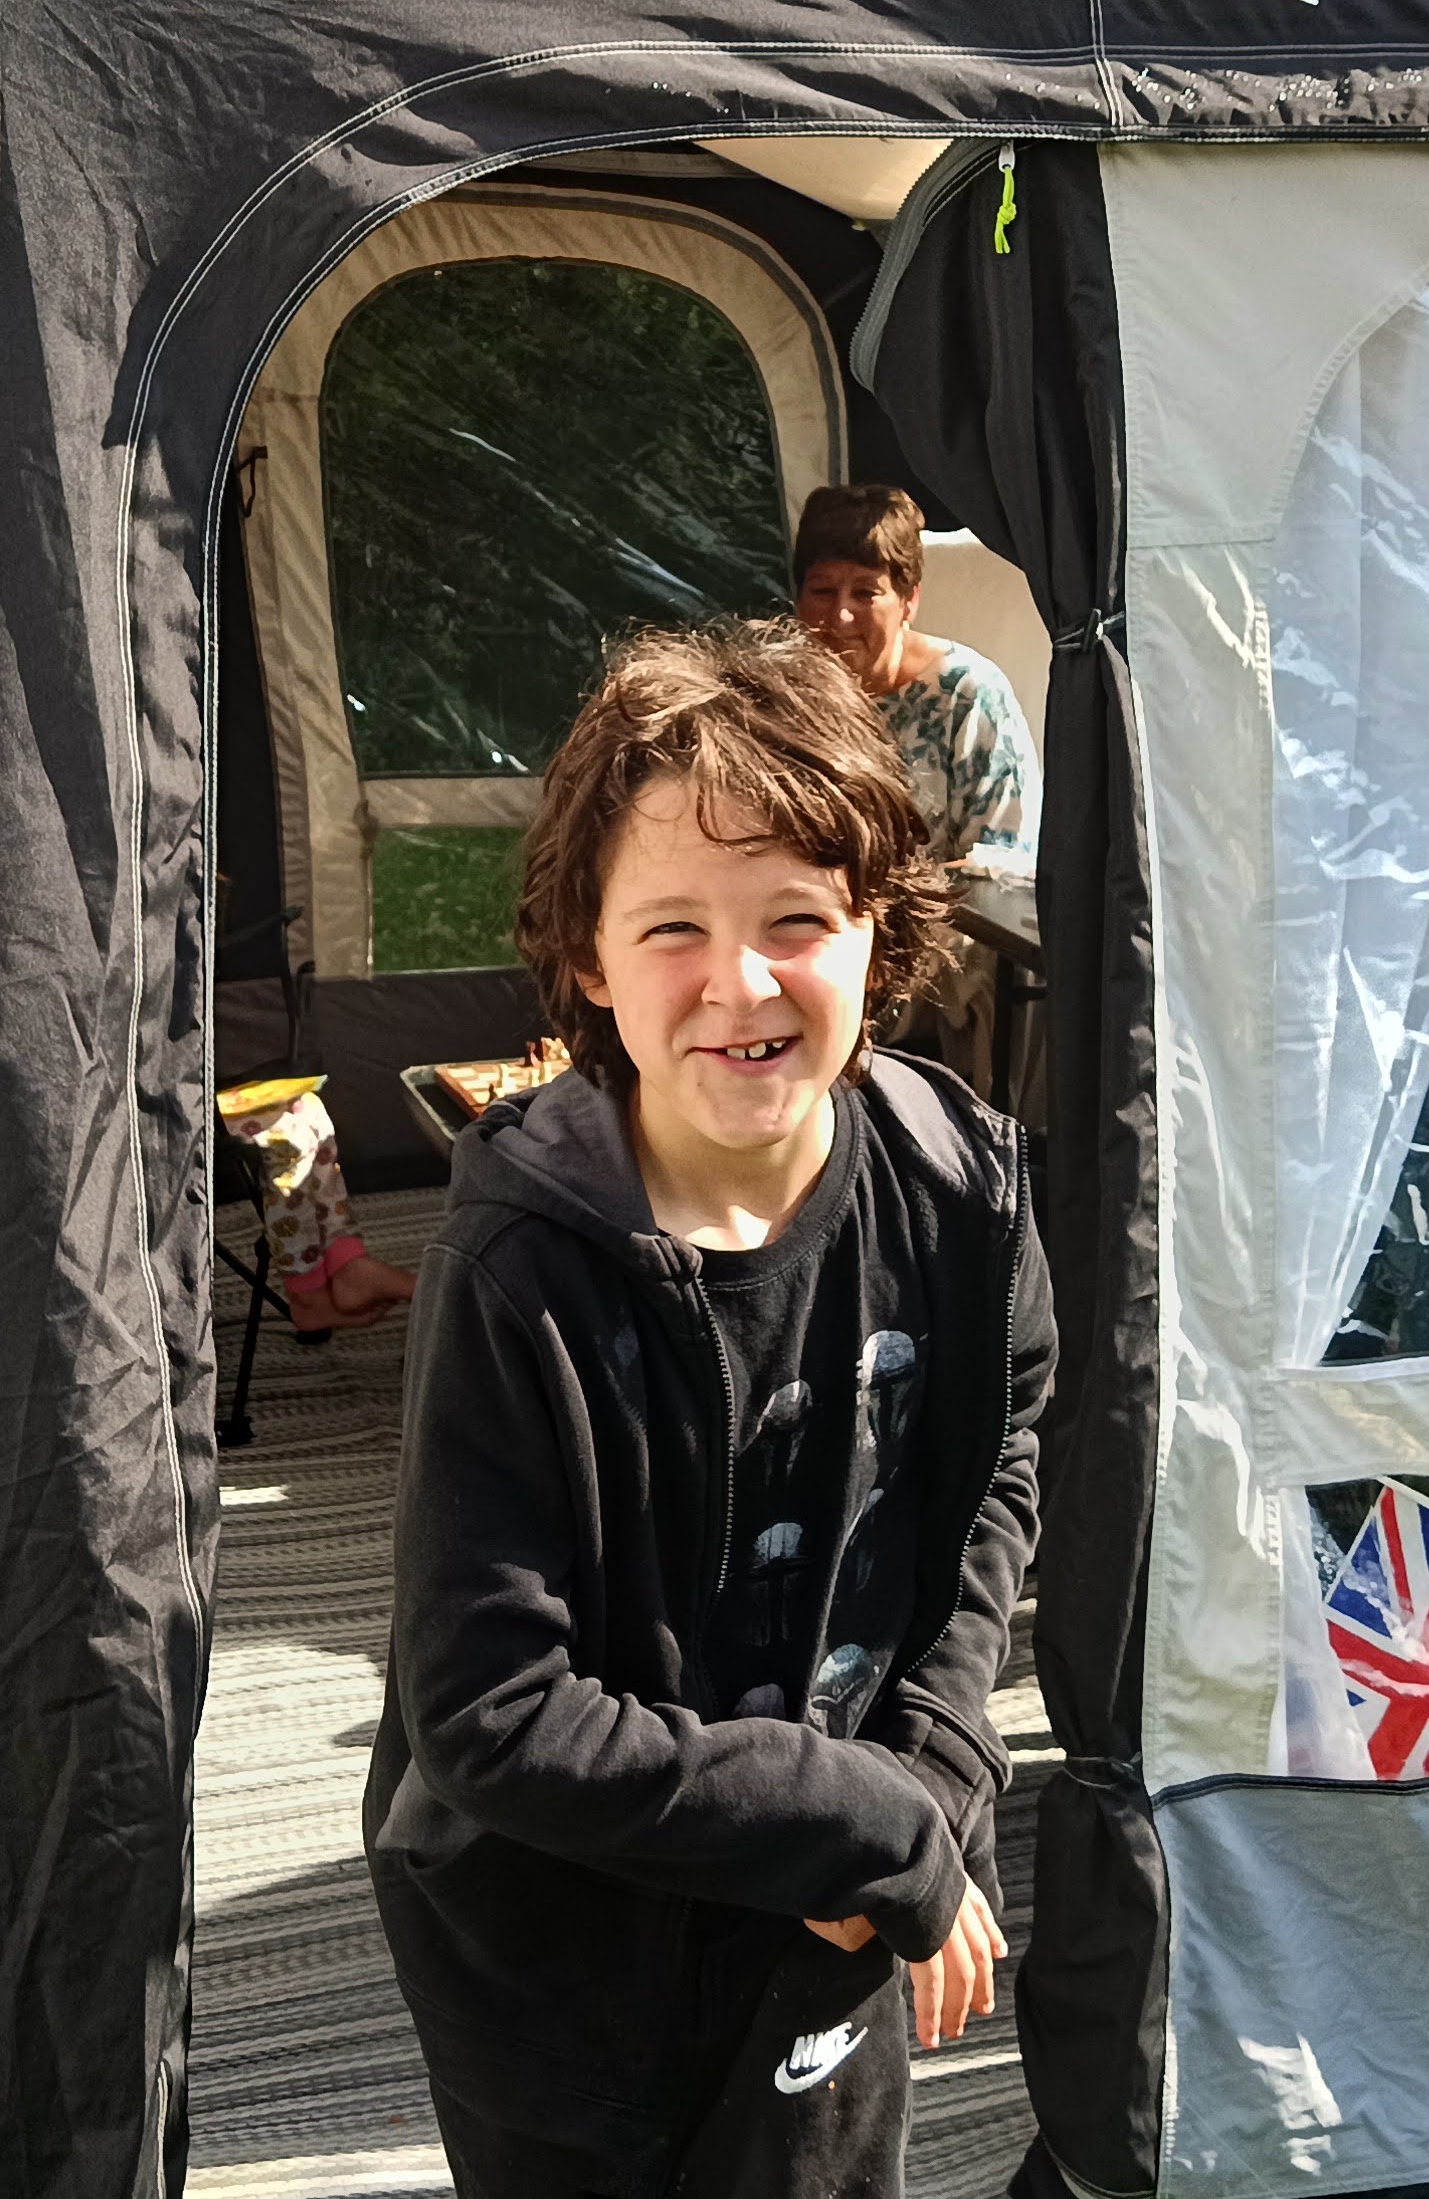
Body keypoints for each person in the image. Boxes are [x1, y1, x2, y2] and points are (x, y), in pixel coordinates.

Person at [367, 620, 1051, 2199]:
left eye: (797, 919)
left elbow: (999, 1466)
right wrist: (861, 1818)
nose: (740, 983)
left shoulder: (962, 1198)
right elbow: (489, 1708)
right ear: (591, 960)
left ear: (882, 930)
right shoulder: (524, 1265)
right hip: (571, 1983)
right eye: (672, 927)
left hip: (832, 1926)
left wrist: (934, 1772)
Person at [788, 485, 1036, 877]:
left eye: (865, 593)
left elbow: (1004, 867)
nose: (840, 615)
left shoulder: (967, 696)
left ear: (909, 602)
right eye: (823, 591)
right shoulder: (778, 692)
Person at [218, 1074, 419, 1334]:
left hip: (248, 1082)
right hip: (193, 1089)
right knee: (289, 1143)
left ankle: (347, 1263)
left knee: (312, 1116)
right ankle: (307, 1296)